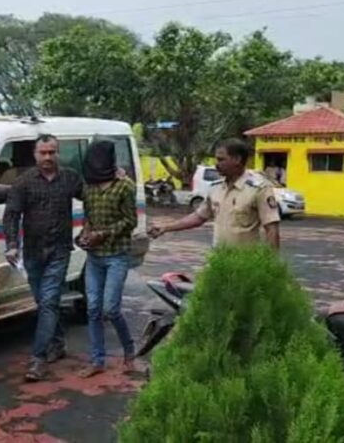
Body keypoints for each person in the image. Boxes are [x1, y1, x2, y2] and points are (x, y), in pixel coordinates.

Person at [3, 134, 84, 382]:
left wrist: (114, 177)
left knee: (48, 302)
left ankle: (38, 359)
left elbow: (92, 198)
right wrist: (12, 245)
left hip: (60, 250)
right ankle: (57, 343)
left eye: (52, 152)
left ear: (58, 153)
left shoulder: (70, 178)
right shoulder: (24, 182)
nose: (48, 157)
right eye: (43, 153)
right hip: (33, 253)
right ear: (35, 154)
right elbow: (11, 215)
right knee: (45, 302)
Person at [75, 140, 137, 378]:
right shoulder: (88, 187)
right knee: (92, 309)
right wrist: (85, 235)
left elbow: (130, 221)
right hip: (94, 257)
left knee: (110, 308)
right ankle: (97, 360)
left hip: (116, 255)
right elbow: (88, 218)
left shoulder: (124, 186)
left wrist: (103, 234)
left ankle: (129, 349)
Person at [149, 138, 281, 249]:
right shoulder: (216, 188)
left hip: (246, 263)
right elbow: (199, 217)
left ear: (237, 159)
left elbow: (272, 229)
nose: (216, 164)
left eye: (221, 159)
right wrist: (166, 227)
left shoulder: (259, 189)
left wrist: (270, 265)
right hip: (219, 260)